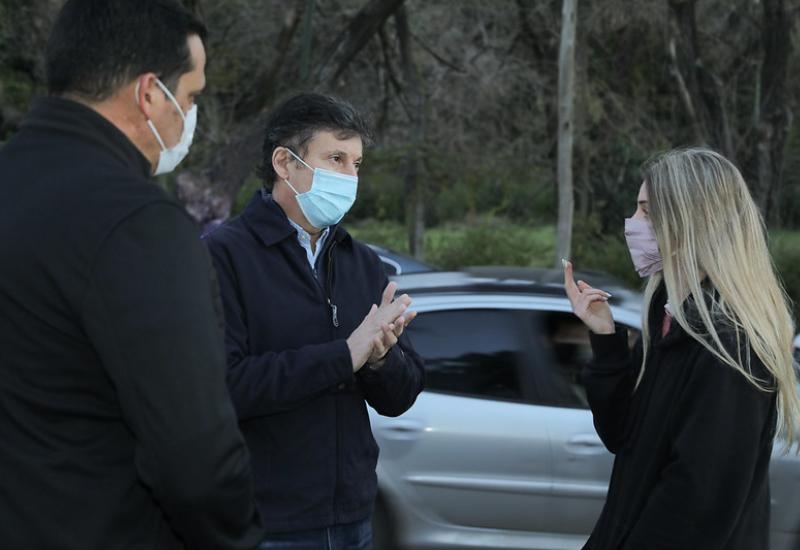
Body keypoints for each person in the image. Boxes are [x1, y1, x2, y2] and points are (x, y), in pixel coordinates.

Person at [0, 1, 264, 548]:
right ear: (149, 94)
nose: (190, 118)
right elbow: (196, 461)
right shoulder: (138, 224)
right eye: (190, 98)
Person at [204, 92, 425, 549]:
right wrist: (345, 355)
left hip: (354, 516)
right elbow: (225, 387)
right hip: (269, 522)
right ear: (285, 164)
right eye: (336, 158)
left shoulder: (361, 262)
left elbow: (401, 398)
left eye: (357, 164)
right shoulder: (224, 255)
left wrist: (382, 360)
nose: (349, 176)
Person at [563, 147, 800, 550]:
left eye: (647, 213)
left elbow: (697, 504)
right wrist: (605, 339)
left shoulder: (732, 343)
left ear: (692, 222)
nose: (632, 224)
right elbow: (623, 434)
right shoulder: (668, 315)